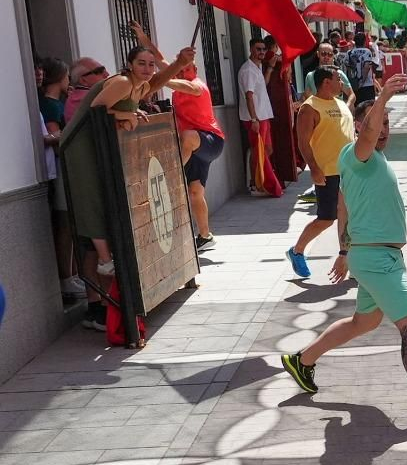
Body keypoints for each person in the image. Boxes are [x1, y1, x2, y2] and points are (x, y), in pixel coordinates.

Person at [281, 74, 407, 433]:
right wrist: (383, 98)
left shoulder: (366, 162)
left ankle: (303, 361)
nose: (382, 130)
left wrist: (345, 249)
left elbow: (345, 204)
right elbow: (364, 137)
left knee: (363, 322)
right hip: (379, 260)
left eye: (387, 125)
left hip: (373, 255)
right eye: (376, 124)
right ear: (362, 126)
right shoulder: (357, 153)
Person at [71, 27, 192, 329]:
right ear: (129, 65)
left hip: (102, 152)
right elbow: (97, 114)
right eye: (142, 63)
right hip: (81, 148)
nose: (148, 69)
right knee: (92, 206)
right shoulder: (123, 82)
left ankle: (103, 278)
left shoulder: (138, 85)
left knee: (102, 210)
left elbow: (160, 82)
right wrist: (128, 116)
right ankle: (102, 269)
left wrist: (179, 62)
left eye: (151, 64)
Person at [286, 65, 356, 280]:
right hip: (328, 172)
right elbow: (302, 142)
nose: (342, 83)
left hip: (350, 171)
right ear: (326, 82)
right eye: (338, 79)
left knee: (353, 216)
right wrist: (314, 169)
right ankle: (297, 250)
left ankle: (351, 259)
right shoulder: (310, 108)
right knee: (327, 218)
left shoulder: (341, 103)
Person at [166, 53, 226, 252]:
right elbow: (161, 61)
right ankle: (205, 235)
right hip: (191, 148)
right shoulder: (177, 82)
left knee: (188, 135)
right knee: (195, 191)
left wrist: (164, 77)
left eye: (187, 69)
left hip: (211, 141)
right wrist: (144, 39)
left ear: (195, 70)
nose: (184, 72)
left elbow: (182, 85)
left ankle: (174, 173)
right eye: (180, 69)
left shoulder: (198, 85)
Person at [37, 59, 84, 301]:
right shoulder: (50, 106)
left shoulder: (59, 103)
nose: (70, 82)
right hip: (61, 168)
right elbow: (57, 140)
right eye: (67, 77)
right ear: (59, 78)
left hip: (66, 168)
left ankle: (74, 275)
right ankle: (68, 277)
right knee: (65, 225)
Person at [236, 38, 281, 197]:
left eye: (263, 49)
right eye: (258, 49)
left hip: (263, 116)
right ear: (251, 49)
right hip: (255, 118)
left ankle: (258, 179)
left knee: (266, 150)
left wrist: (269, 68)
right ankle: (255, 184)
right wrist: (254, 119)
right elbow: (249, 96)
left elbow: (263, 84)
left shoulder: (258, 67)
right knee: (258, 151)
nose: (261, 52)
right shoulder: (248, 70)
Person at [262, 38, 300, 186]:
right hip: (276, 105)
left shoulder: (275, 58)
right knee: (278, 143)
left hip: (276, 104)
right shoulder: (272, 57)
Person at [65, 58, 108, 123]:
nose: (107, 74)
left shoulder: (77, 95)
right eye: (99, 71)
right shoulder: (89, 98)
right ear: (83, 80)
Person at [347, 31, 378, 107]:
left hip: (354, 85)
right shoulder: (367, 52)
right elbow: (366, 66)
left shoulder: (350, 52)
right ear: (364, 41)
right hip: (367, 85)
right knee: (368, 108)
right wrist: (362, 81)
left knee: (357, 107)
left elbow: (347, 66)